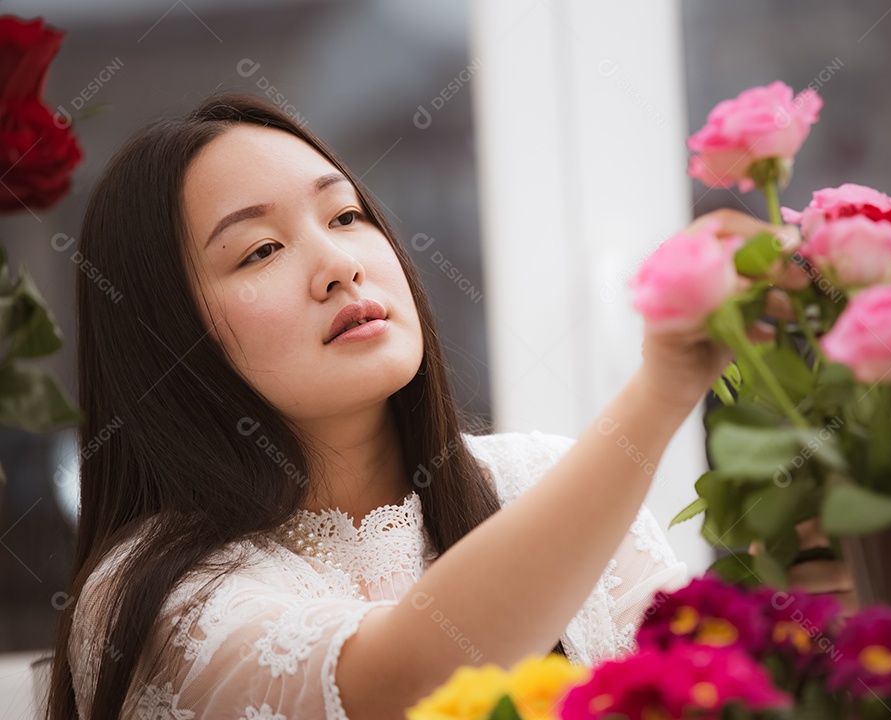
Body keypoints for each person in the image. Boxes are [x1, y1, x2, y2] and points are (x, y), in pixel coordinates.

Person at [45, 92, 783, 720]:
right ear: (162, 334)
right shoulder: (148, 592)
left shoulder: (538, 477)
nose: (340, 265)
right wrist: (662, 390)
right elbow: (405, 683)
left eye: (345, 216)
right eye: (261, 251)